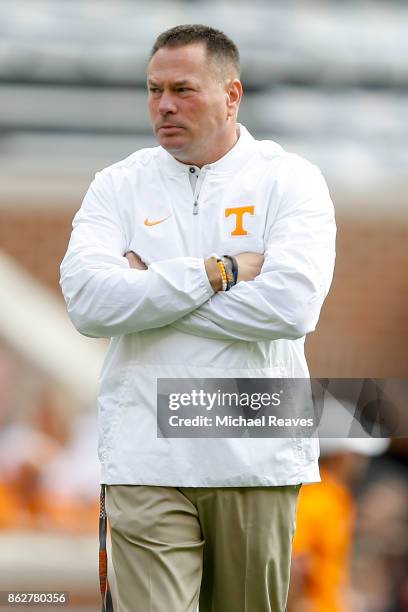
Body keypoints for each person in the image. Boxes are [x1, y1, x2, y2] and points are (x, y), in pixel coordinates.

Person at [60, 24, 336, 612]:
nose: (164, 105)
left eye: (183, 89)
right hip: (144, 453)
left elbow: (291, 308)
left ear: (232, 94)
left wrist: (146, 289)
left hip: (256, 449)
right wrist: (219, 271)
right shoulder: (117, 185)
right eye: (154, 89)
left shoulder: (291, 180)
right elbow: (87, 304)